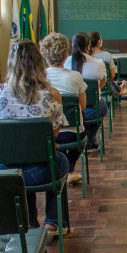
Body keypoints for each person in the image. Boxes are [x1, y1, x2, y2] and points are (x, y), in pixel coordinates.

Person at [0, 39, 68, 233]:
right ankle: (54, 221)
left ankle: (29, 221)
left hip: (5, 169)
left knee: (24, 156)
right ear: (40, 62)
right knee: (58, 160)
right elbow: (54, 134)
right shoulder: (52, 94)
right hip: (39, 170)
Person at [41, 33, 87, 185]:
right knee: (82, 136)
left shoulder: (39, 78)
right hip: (73, 134)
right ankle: (70, 168)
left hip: (48, 134)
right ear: (66, 54)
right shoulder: (75, 76)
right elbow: (83, 105)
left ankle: (66, 168)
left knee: (55, 143)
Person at [64, 32, 107, 149]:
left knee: (82, 115)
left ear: (72, 46)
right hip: (91, 110)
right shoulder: (98, 63)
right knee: (103, 106)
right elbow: (103, 82)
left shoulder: (65, 62)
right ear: (88, 46)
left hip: (70, 112)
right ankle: (90, 138)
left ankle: (89, 138)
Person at [89, 31, 127, 100]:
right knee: (109, 79)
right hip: (105, 87)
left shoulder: (87, 56)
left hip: (90, 86)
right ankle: (120, 89)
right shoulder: (107, 55)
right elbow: (112, 75)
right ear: (99, 41)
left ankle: (120, 88)